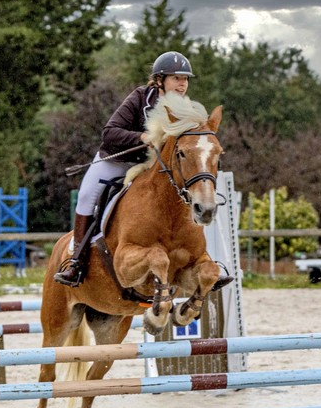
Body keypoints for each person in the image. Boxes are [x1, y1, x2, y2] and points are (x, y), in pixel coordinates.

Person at [54, 51, 233, 292]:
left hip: (151, 168)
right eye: (176, 78)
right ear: (160, 80)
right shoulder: (139, 98)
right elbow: (109, 132)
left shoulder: (186, 108)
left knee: (183, 197)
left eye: (185, 79)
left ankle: (199, 260)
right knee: (86, 197)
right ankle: (76, 260)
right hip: (117, 160)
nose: (182, 84)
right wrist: (141, 136)